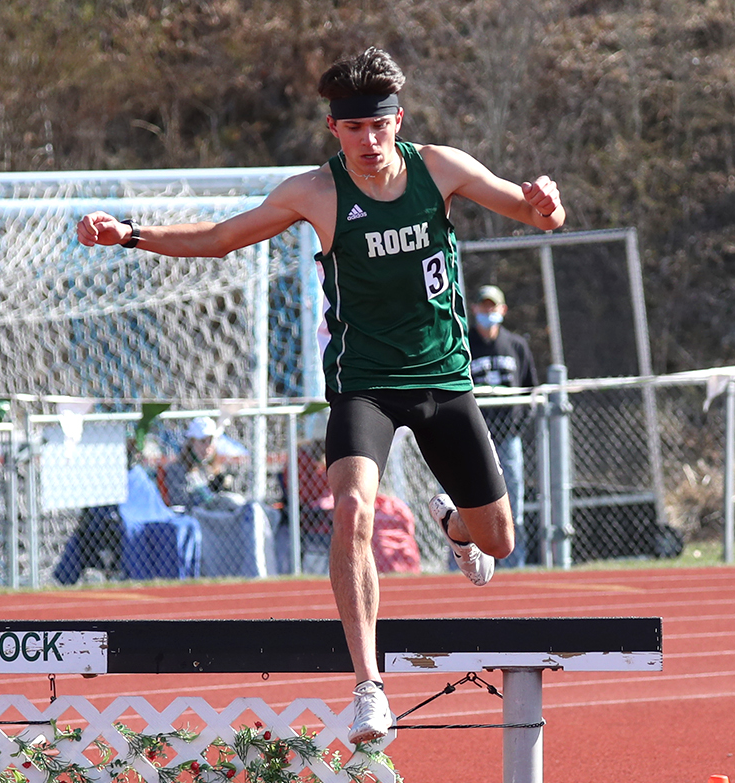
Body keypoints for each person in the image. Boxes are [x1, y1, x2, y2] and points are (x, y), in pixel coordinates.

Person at [77, 46, 565, 745]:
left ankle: (455, 526)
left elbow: (537, 215)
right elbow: (221, 239)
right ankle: (369, 685)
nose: (368, 143)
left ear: (398, 120)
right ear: (334, 130)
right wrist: (129, 234)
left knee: (500, 539)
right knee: (354, 513)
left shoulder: (443, 169)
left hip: (441, 379)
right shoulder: (317, 193)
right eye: (352, 129)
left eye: (379, 127)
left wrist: (546, 203)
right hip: (363, 385)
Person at [465, 284, 537, 569]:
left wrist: (517, 425)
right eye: (483, 306)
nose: (487, 312)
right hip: (471, 440)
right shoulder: (465, 343)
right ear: (474, 310)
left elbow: (530, 389)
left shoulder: (516, 345)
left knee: (512, 504)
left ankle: (513, 566)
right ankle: (463, 565)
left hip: (507, 439)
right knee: (466, 504)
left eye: (492, 306)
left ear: (502, 310)